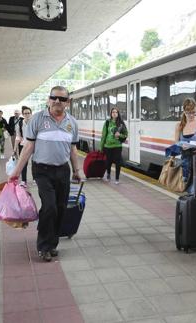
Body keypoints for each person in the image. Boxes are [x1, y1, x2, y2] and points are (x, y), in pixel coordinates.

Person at [9, 86, 83, 262]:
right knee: (49, 206)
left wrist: (77, 170)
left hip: (63, 170)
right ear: (48, 99)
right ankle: (44, 246)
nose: (57, 101)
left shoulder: (72, 123)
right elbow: (28, 147)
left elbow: (73, 149)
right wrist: (16, 172)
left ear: (68, 102)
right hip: (42, 170)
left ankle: (52, 243)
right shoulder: (37, 119)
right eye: (54, 97)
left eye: (62, 99)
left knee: (60, 208)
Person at [100, 107, 128, 184]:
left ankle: (117, 178)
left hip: (117, 146)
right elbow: (103, 135)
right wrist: (101, 147)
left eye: (116, 112)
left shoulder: (121, 123)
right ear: (111, 114)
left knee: (118, 163)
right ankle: (108, 174)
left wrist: (120, 135)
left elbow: (126, 134)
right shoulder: (107, 122)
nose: (114, 113)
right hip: (108, 146)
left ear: (118, 114)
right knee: (108, 162)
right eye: (113, 112)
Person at [14, 106, 33, 186]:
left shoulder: (34, 122)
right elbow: (18, 136)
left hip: (34, 145)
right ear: (22, 114)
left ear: (31, 114)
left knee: (35, 162)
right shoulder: (20, 123)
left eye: (28, 113)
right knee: (23, 163)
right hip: (23, 145)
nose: (27, 115)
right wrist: (15, 148)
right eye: (25, 113)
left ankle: (35, 178)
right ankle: (24, 181)